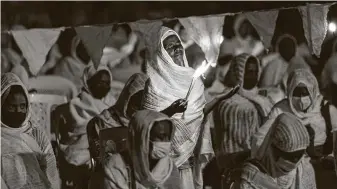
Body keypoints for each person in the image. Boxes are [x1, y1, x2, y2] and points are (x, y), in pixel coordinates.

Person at [141, 26, 239, 189]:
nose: (177, 48)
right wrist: (171, 111)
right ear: (161, 54)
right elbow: (146, 124)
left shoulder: (193, 80)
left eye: (178, 43)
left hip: (188, 163)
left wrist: (218, 99)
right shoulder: (154, 85)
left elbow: (198, 116)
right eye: (170, 47)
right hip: (164, 165)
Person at [253, 68, 337, 189]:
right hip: (288, 167)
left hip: (321, 167)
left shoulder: (326, 110)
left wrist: (331, 157)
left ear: (312, 91)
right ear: (290, 92)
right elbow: (260, 137)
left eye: (305, 93)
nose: (301, 99)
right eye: (296, 94)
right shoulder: (280, 109)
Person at [212, 54, 273, 187]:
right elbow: (240, 137)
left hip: (257, 163)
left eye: (256, 72)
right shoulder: (228, 102)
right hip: (233, 163)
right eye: (249, 72)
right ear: (238, 72)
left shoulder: (263, 99)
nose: (253, 76)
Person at [57, 63, 116, 188]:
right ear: (88, 82)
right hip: (79, 149)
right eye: (100, 82)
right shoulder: (76, 104)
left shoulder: (111, 103)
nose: (104, 86)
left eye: (107, 83)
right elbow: (76, 132)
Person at [90, 110, 182, 189]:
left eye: (168, 137)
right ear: (142, 137)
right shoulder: (116, 166)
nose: (165, 142)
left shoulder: (168, 167)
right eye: (160, 137)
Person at [1, 73, 60, 189]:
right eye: (12, 107)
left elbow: (51, 170)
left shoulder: (35, 133)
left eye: (22, 106)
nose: (18, 111)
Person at [232, 113, 310, 189]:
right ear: (272, 149)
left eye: (299, 155)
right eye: (289, 156)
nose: (295, 161)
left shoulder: (303, 170)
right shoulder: (251, 179)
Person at [87, 73, 149, 166]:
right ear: (127, 99)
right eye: (135, 106)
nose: (138, 112)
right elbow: (100, 161)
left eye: (143, 107)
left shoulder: (148, 122)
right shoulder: (102, 121)